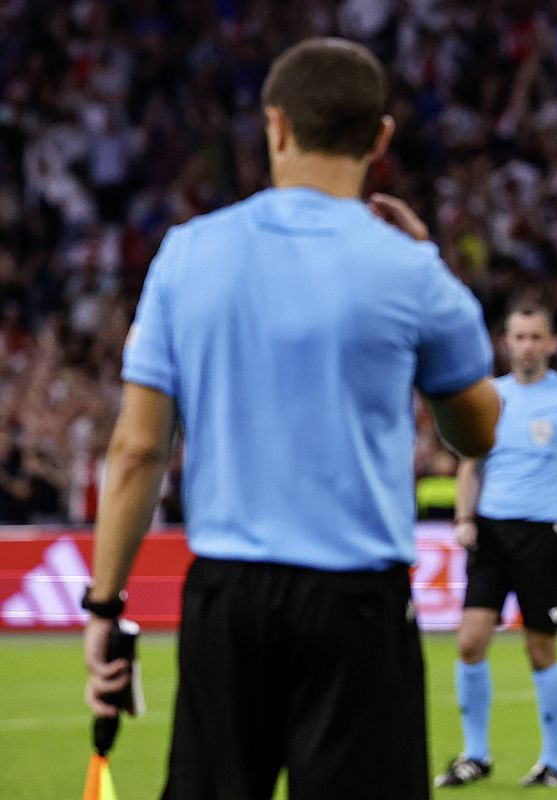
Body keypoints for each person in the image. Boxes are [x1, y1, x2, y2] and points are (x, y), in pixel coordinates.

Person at [81, 38, 500, 800]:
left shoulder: (185, 254)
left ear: (275, 126)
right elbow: (476, 432)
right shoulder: (410, 270)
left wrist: (105, 605)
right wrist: (430, 267)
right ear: (379, 139)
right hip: (357, 605)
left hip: (227, 602)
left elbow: (138, 452)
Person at [436, 304, 557, 789]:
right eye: (519, 337)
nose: (528, 345)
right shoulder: (489, 395)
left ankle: (552, 762)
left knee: (540, 649)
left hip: (542, 535)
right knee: (470, 641)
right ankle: (476, 755)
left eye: (536, 336)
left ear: (551, 343)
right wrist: (464, 518)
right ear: (506, 343)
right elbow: (471, 464)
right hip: (490, 532)